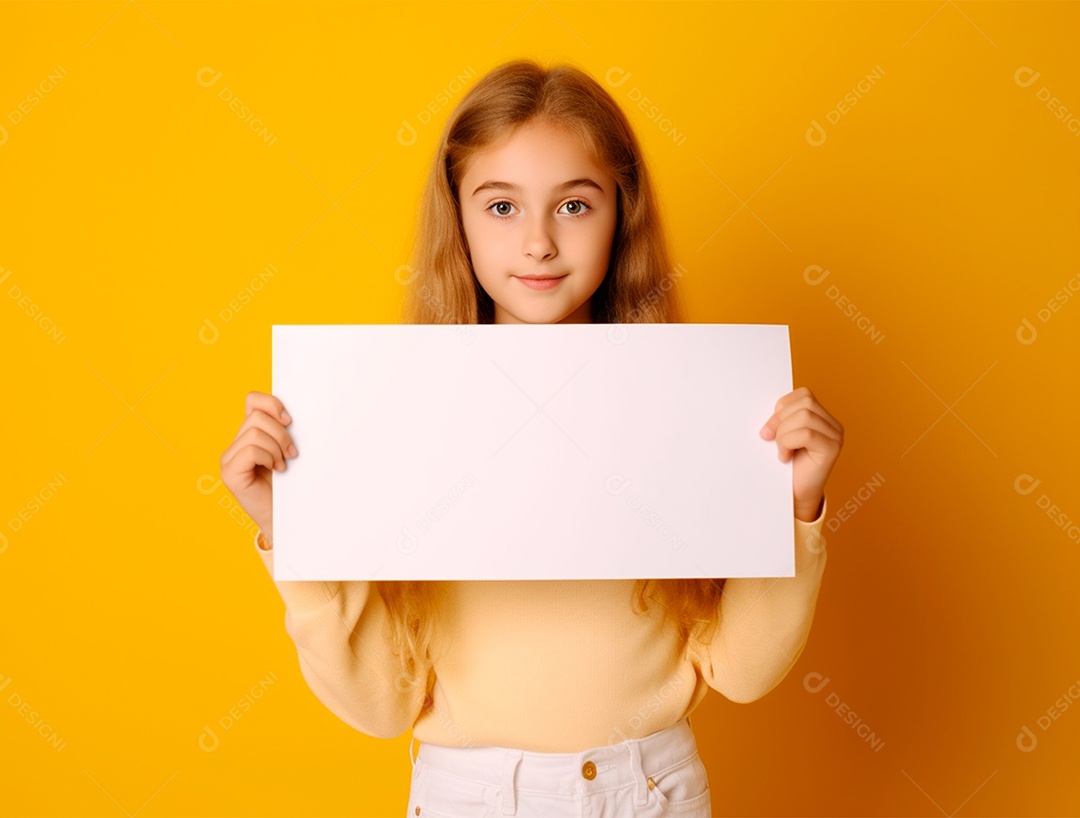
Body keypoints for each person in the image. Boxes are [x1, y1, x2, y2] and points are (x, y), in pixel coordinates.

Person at [220, 58, 843, 817]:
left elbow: (740, 672)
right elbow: (382, 707)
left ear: (622, 213)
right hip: (468, 795)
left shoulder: (691, 404)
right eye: (502, 206)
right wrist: (294, 527)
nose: (539, 243)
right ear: (459, 216)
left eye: (574, 206)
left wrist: (796, 505)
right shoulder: (395, 412)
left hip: (648, 789)